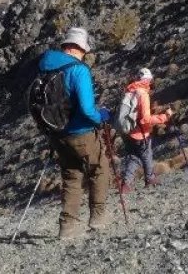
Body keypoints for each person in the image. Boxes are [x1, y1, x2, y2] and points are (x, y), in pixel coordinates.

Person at [37, 27, 113, 239]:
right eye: (84, 51)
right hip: (82, 132)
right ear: (78, 47)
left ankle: (67, 227)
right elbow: (88, 109)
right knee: (99, 168)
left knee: (71, 176)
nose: (85, 55)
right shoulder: (78, 70)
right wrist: (102, 117)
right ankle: (98, 217)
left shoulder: (46, 68)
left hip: (58, 134)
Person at [119, 67, 172, 191]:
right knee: (147, 155)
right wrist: (165, 117)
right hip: (140, 133)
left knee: (134, 157)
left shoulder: (130, 91)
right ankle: (150, 178)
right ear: (148, 80)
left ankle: (126, 184)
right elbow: (146, 119)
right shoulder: (143, 94)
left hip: (128, 131)